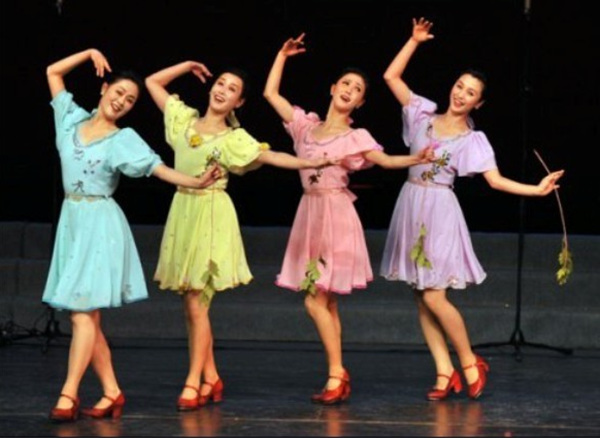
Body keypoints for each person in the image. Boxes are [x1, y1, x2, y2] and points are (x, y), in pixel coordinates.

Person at [380, 18, 565, 401]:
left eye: (471, 93)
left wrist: (537, 189)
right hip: (410, 203)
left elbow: (495, 181)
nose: (461, 94)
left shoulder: (472, 139)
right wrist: (414, 41)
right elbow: (391, 77)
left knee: (435, 296)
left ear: (478, 103)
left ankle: (468, 361)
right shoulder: (422, 115)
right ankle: (443, 371)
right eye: (460, 86)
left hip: (439, 212)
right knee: (420, 295)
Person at [42, 49, 222, 423]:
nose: (122, 101)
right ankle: (112, 391)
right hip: (72, 222)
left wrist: (194, 182)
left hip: (99, 224)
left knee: (82, 313)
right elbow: (53, 72)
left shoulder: (123, 139)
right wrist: (89, 53)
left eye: (130, 100)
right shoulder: (70, 119)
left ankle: (68, 392)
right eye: (119, 92)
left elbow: (158, 168)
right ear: (104, 88)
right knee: (84, 315)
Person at [145, 59, 335, 411]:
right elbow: (153, 82)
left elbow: (271, 156)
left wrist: (310, 163)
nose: (223, 91)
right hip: (182, 211)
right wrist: (187, 66)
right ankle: (211, 376)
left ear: (239, 102)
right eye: (221, 83)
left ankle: (193, 381)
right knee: (190, 304)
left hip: (211, 214)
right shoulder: (184, 120)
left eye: (232, 89)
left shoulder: (234, 138)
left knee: (198, 301)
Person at [263, 33, 435, 405]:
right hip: (309, 213)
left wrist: (416, 158)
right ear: (333, 88)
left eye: (357, 89)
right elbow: (271, 95)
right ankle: (336, 374)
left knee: (314, 300)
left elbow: (385, 160)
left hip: (335, 215)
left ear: (360, 102)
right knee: (326, 303)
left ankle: (337, 373)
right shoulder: (306, 127)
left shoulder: (357, 136)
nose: (349, 90)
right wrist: (282, 55)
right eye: (346, 83)